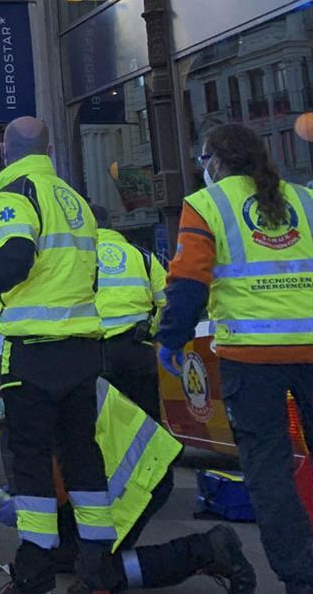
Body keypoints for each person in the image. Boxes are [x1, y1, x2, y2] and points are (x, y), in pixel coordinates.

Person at [0, 116, 112, 594]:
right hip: (82, 348)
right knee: (83, 459)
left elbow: (13, 257)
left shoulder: (14, 189)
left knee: (30, 462)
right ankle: (98, 571)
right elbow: (89, 275)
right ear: (48, 149)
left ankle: (35, 576)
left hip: (34, 352)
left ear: (4, 147)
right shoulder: (72, 199)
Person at [157, 123, 313, 594]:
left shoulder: (207, 205)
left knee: (269, 473)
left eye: (204, 161)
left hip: (252, 358)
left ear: (217, 163)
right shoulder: (304, 200)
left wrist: (170, 339)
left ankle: (301, 576)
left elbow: (188, 280)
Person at [0, 349, 256, 594]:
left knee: (99, 575)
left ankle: (208, 549)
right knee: (66, 554)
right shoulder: (41, 379)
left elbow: (57, 486)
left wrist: (24, 506)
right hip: (135, 468)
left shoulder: (30, 401)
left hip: (137, 477)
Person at [90, 204, 167, 419]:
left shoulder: (80, 259)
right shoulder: (143, 256)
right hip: (139, 347)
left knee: (108, 422)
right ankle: (155, 453)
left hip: (97, 352)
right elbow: (166, 302)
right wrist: (151, 329)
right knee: (148, 417)